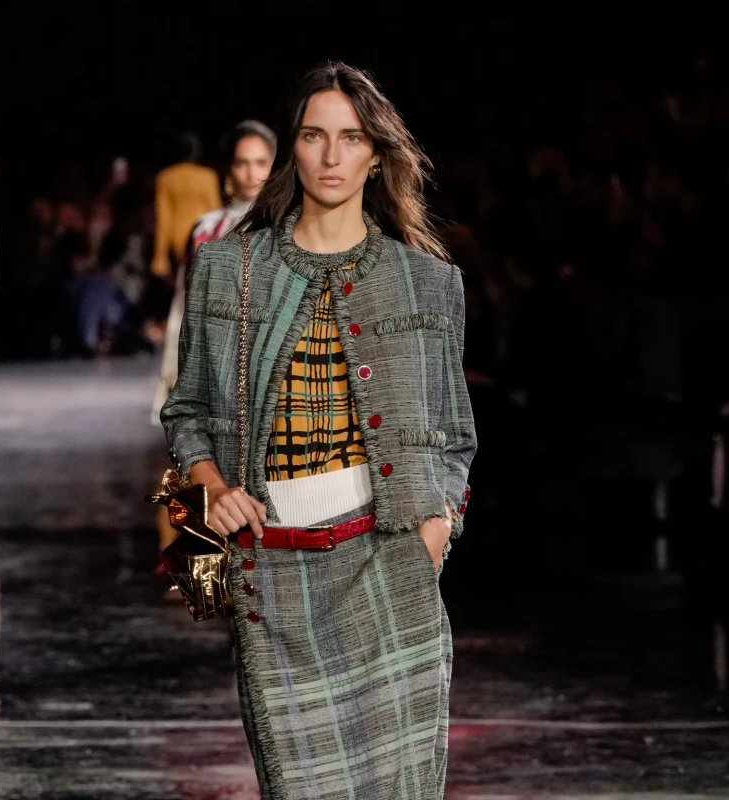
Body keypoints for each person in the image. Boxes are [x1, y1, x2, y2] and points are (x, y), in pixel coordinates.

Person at [161, 62, 476, 798]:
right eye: (314, 136)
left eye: (351, 137)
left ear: (377, 155)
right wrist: (212, 491)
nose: (332, 155)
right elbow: (187, 410)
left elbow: (455, 436)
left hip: (391, 562)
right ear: (292, 150)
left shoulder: (429, 282)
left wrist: (436, 530)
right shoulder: (228, 269)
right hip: (270, 572)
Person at [152, 120, 277, 426]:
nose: (251, 173)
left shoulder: (289, 225)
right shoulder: (207, 229)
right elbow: (185, 306)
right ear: (229, 167)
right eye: (242, 162)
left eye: (261, 162)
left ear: (274, 166)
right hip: (216, 355)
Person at [151, 131, 221, 279]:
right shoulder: (207, 176)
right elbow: (215, 211)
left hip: (178, 239)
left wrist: (160, 257)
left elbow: (164, 219)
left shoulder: (166, 178)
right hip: (204, 235)